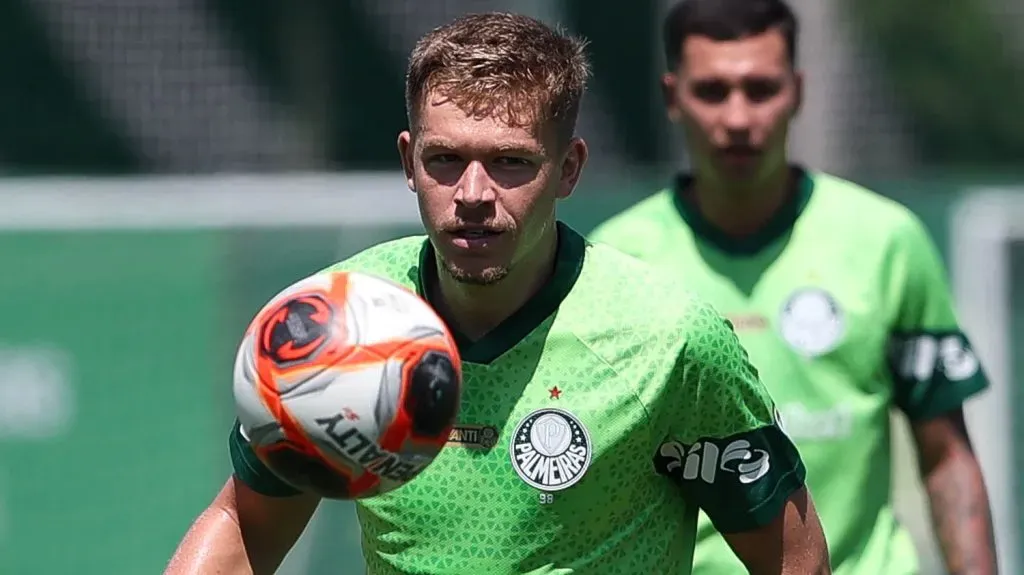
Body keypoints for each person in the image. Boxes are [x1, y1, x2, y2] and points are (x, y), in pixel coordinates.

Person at [164, 12, 830, 575]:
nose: (474, 195)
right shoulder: (338, 322)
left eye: (511, 162)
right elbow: (243, 524)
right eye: (445, 160)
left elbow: (795, 559)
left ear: (568, 169)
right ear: (407, 162)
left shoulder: (669, 340)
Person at [589, 1, 998, 574]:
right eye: (712, 91)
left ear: (798, 91)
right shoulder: (618, 259)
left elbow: (946, 456)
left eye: (760, 89)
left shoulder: (885, 242)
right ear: (672, 97)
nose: (737, 117)